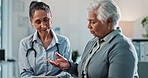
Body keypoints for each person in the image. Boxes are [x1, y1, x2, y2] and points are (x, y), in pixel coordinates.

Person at [46, 0, 139, 78]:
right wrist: (69, 66)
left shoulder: (122, 47)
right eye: (88, 21)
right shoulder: (93, 42)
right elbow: (86, 73)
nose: (88, 26)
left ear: (108, 22)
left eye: (93, 22)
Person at [18, 1, 72, 78]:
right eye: (38, 22)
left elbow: (68, 72)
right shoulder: (25, 44)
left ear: (51, 17)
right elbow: (25, 74)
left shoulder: (64, 42)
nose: (43, 25)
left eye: (46, 20)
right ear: (32, 22)